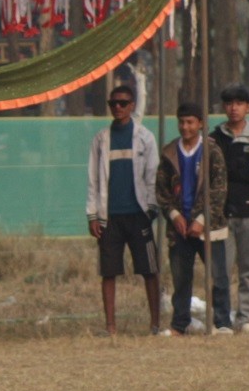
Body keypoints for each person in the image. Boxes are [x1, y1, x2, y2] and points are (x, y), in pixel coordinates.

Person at [87, 87, 163, 335]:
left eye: (122, 103)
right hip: (109, 218)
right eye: (113, 103)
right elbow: (93, 179)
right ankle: (111, 327)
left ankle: (155, 324)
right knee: (109, 272)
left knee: (149, 269)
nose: (117, 107)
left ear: (132, 105)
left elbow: (153, 175)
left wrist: (151, 210)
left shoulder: (145, 137)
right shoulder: (101, 139)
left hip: (138, 215)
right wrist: (93, 214)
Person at [158, 102, 233, 336]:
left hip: (209, 228)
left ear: (200, 123)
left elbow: (219, 190)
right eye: (181, 122)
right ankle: (180, 324)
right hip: (179, 228)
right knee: (181, 278)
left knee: (218, 276)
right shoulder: (169, 153)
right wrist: (174, 215)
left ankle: (222, 322)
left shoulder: (213, 151)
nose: (185, 127)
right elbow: (161, 191)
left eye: (190, 122)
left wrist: (202, 219)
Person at [212, 83, 249, 334]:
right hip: (222, 214)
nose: (233, 108)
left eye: (239, 103)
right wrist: (241, 166)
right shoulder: (214, 138)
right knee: (221, 271)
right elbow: (214, 174)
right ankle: (222, 320)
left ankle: (245, 318)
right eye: (229, 103)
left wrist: (231, 167)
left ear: (248, 107)